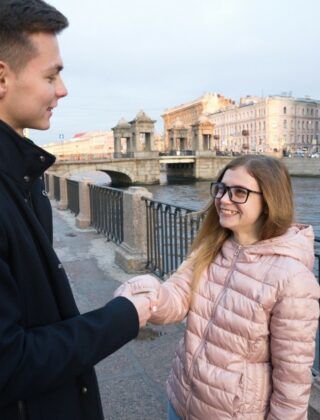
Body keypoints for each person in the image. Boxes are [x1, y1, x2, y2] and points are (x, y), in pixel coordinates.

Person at [0, 1, 155, 419]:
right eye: (51, 75)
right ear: (1, 77)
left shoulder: (24, 178)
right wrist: (125, 315)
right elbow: (8, 363)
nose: (63, 89)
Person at [116, 155, 320, 419]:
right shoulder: (211, 246)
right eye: (222, 189)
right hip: (182, 398)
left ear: (270, 201)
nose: (223, 199)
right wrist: (150, 293)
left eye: (239, 192)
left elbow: (292, 378)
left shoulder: (292, 278)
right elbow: (177, 297)